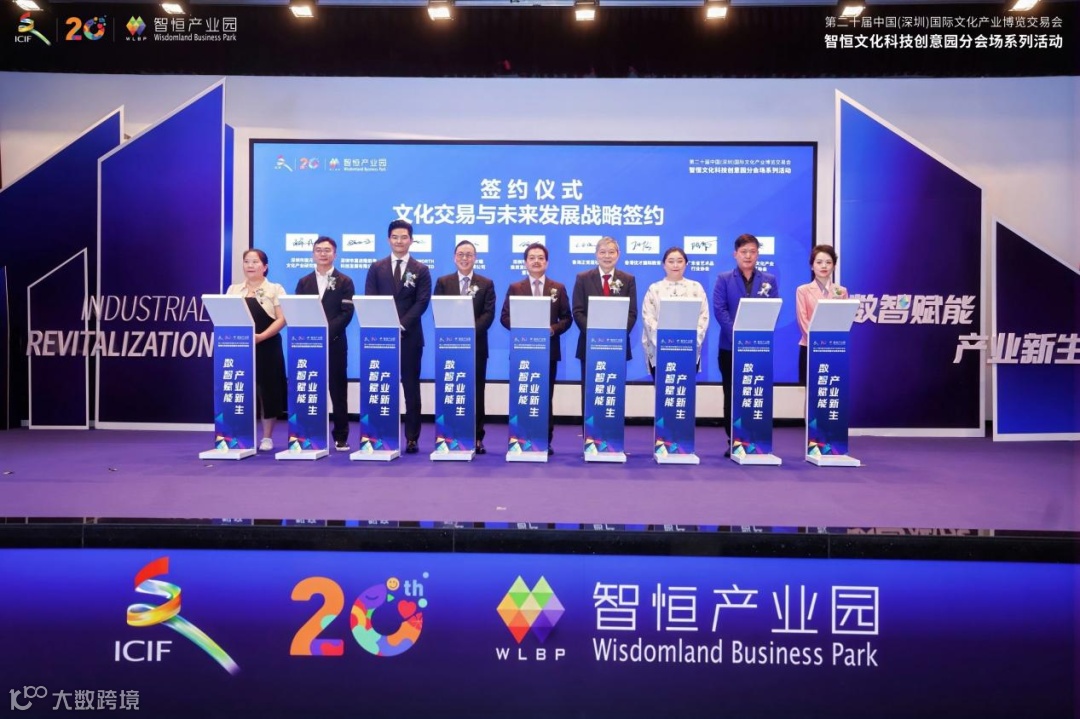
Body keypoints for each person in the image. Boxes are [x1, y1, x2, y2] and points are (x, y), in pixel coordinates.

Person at [365, 219, 431, 454]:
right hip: (382, 338)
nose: (399, 241)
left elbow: (422, 302)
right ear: (388, 240)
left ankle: (412, 438)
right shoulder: (376, 268)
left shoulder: (421, 269)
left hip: (410, 337)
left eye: (404, 237)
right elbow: (371, 298)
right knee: (382, 386)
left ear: (411, 240)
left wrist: (400, 325)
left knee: (411, 388)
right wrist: (387, 326)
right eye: (395, 237)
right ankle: (381, 432)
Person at [500, 242, 572, 454]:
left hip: (548, 352)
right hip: (522, 351)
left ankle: (544, 440)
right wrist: (522, 330)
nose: (536, 261)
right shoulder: (515, 288)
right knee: (523, 395)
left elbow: (567, 318)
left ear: (547, 263)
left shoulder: (558, 288)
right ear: (525, 262)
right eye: (532, 258)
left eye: (540, 258)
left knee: (545, 397)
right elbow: (504, 317)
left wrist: (552, 329)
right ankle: (520, 438)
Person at [712, 233, 779, 455]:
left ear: (758, 254)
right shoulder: (724, 279)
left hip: (758, 348)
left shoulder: (769, 280)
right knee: (732, 393)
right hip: (730, 347)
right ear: (735, 254)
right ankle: (733, 439)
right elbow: (720, 310)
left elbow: (773, 309)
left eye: (752, 251)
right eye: (743, 252)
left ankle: (756, 437)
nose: (748, 256)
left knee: (755, 391)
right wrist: (737, 334)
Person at [433, 240, 496, 454]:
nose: (464, 258)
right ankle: (449, 434)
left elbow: (488, 315)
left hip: (476, 346)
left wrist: (468, 332)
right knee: (450, 390)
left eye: (469, 254)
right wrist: (455, 334)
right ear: (454, 257)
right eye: (461, 254)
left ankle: (477, 436)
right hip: (449, 347)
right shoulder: (443, 282)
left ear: (475, 258)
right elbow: (438, 310)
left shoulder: (486, 283)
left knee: (476, 392)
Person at [294, 236, 355, 451]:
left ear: (335, 254)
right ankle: (310, 433)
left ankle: (341, 436)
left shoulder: (345, 281)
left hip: (335, 342)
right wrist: (312, 336)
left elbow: (347, 313)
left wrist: (324, 333)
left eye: (327, 250)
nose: (323, 253)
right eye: (319, 250)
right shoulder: (304, 282)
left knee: (338, 392)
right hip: (309, 346)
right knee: (310, 389)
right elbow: (299, 311)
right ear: (313, 254)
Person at [226, 248, 287, 452]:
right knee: (240, 389)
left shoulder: (275, 289)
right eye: (246, 261)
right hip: (240, 346)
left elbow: (282, 318)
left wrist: (261, 336)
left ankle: (267, 437)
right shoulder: (234, 290)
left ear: (265, 266)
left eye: (255, 262)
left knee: (267, 391)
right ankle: (239, 433)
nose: (250, 265)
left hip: (267, 344)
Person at [571, 236, 638, 416]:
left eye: (611, 252)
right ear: (596, 255)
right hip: (589, 345)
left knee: (614, 392)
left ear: (618, 254)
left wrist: (616, 336)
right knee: (590, 391)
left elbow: (632, 313)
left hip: (617, 345)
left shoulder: (628, 279)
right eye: (603, 252)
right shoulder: (583, 278)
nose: (607, 256)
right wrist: (595, 335)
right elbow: (578, 311)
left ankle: (613, 431)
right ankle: (589, 432)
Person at [640, 246, 710, 375]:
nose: (675, 265)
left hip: (689, 348)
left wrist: (690, 341)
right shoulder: (654, 289)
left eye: (680, 261)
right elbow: (648, 318)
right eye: (671, 261)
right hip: (659, 349)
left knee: (685, 385)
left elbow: (703, 317)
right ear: (664, 265)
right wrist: (664, 342)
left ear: (686, 264)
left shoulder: (696, 287)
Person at [795, 244, 848, 385]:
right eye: (819, 262)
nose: (824, 266)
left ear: (834, 266)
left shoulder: (841, 291)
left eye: (828, 262)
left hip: (834, 348)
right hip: (809, 347)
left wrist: (831, 341)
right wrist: (819, 342)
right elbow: (803, 320)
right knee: (811, 390)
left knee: (832, 388)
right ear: (812, 266)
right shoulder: (803, 290)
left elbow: (844, 320)